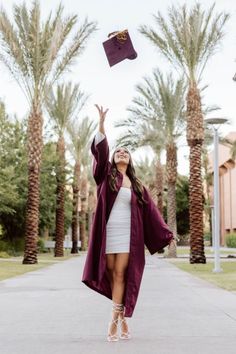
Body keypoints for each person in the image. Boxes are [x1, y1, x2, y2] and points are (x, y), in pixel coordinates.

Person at [82, 105, 174, 342]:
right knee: (112, 275)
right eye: (118, 151)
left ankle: (113, 322)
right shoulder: (105, 176)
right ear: (113, 158)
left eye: (126, 152)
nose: (121, 152)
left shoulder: (137, 186)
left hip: (127, 236)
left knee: (121, 275)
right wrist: (101, 124)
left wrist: (165, 233)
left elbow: (151, 213)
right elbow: (100, 153)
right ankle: (122, 320)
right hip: (108, 233)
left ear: (130, 159)